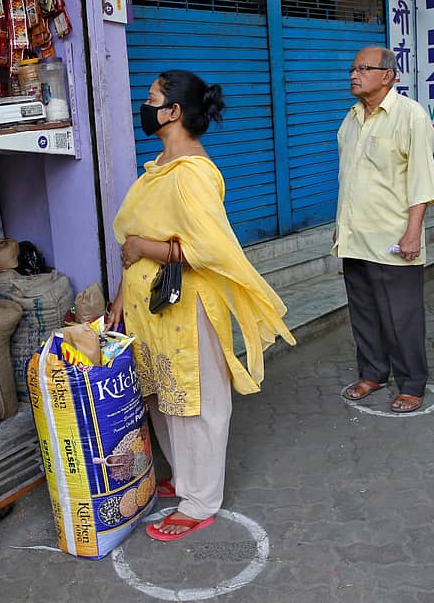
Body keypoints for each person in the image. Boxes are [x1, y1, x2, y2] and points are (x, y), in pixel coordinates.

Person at [110, 70, 294, 541]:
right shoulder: (162, 167)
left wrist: (143, 248)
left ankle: (201, 501)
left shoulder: (192, 174)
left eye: (151, 99)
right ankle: (186, 480)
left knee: (198, 403)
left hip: (187, 307)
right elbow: (137, 246)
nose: (144, 105)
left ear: (173, 112)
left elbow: (211, 250)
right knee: (164, 397)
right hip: (152, 307)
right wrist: (119, 300)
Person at [334, 47, 434, 414]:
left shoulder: (409, 116)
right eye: (352, 67)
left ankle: (412, 383)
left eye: (363, 68)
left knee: (402, 316)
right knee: (363, 312)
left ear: (388, 74)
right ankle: (374, 372)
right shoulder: (350, 119)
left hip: (394, 239)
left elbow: (422, 180)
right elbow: (349, 181)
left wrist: (413, 232)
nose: (354, 74)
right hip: (355, 238)